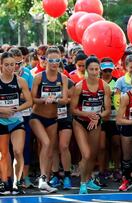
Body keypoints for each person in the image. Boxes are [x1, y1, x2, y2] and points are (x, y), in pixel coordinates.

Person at [70, 56, 111, 194]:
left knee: (93, 154)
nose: (94, 72)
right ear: (86, 70)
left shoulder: (104, 86)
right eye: (91, 69)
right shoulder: (80, 86)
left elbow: (108, 110)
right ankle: (82, 184)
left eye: (96, 69)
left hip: (96, 122)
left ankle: (88, 180)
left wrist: (98, 116)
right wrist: (87, 115)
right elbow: (73, 109)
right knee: (86, 154)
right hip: (80, 122)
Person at [30, 46, 68, 193]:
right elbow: (32, 98)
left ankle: (45, 180)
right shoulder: (39, 77)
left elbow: (65, 99)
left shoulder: (63, 78)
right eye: (51, 60)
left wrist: (56, 99)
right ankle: (42, 177)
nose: (54, 63)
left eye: (57, 60)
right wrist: (44, 99)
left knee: (50, 149)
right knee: (45, 143)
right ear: (45, 61)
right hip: (37, 117)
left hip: (53, 118)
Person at [0, 52, 32, 195]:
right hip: (1, 121)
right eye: (6, 65)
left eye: (12, 64)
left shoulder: (20, 81)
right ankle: (4, 181)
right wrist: (3, 110)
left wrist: (16, 109)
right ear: (1, 65)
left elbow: (30, 102)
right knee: (3, 154)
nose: (10, 68)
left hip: (17, 120)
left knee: (18, 151)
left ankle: (16, 182)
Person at [49, 62, 74, 190]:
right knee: (53, 147)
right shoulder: (45, 80)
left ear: (62, 69)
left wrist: (57, 99)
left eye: (58, 67)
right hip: (50, 117)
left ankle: (67, 175)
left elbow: (72, 98)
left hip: (65, 116)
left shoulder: (68, 82)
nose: (56, 69)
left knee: (64, 146)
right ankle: (55, 175)